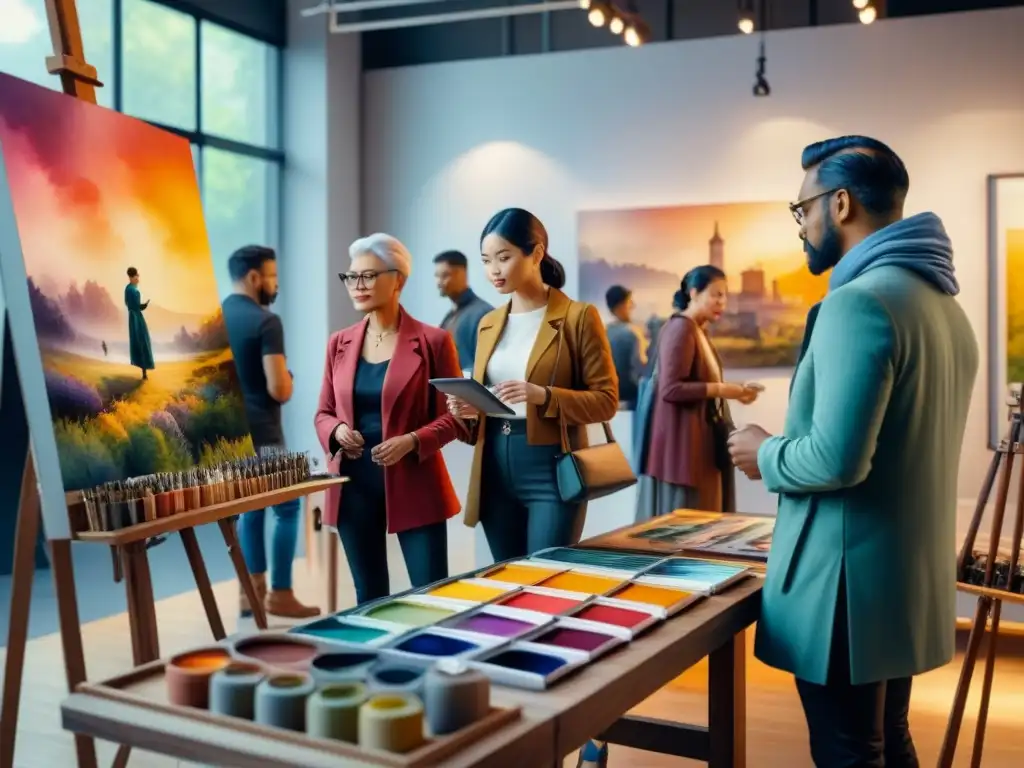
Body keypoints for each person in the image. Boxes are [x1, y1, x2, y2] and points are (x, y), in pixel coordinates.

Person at [727, 136, 978, 767]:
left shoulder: (857, 303)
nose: (802, 227)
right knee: (887, 741)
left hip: (844, 591)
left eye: (802, 209)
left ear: (839, 204)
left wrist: (767, 451)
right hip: (901, 583)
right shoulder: (944, 307)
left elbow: (837, 461)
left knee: (850, 753)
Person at [447, 208, 618, 563]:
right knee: (506, 582)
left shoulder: (578, 317)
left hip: (552, 469)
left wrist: (543, 395)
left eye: (504, 257)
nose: (493, 270)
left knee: (545, 579)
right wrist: (468, 409)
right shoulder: (488, 323)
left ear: (537, 253)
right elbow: (486, 405)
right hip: (493, 468)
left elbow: (606, 401)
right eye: (486, 260)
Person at [315, 233, 465, 605]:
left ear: (398, 280)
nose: (357, 285)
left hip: (415, 481)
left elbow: (456, 417)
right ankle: (373, 662)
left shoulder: (433, 341)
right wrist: (337, 430)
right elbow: (323, 412)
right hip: (353, 485)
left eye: (368, 276)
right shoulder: (340, 342)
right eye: (351, 277)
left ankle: (430, 662)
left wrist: (412, 441)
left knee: (432, 596)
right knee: (369, 596)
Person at [222, 246, 319, 620]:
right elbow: (279, 388)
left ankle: (250, 595)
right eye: (273, 277)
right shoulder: (266, 322)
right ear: (253, 277)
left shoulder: (215, 320)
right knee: (288, 506)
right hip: (265, 434)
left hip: (229, 439)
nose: (276, 285)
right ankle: (279, 593)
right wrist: (290, 379)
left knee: (250, 510)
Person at [636, 266, 758, 519]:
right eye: (716, 294)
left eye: (725, 295)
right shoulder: (681, 328)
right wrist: (728, 390)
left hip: (698, 446)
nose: (722, 302)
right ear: (694, 293)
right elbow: (671, 389)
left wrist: (735, 392)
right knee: (689, 527)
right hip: (683, 449)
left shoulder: (697, 330)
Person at [434, 249, 493, 372]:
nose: (439, 282)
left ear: (462, 273)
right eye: (437, 276)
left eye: (445, 275)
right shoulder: (450, 316)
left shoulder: (483, 314)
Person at [604, 285, 647, 409]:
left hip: (608, 399)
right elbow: (641, 371)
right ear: (620, 306)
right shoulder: (632, 333)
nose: (632, 306)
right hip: (630, 400)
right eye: (629, 302)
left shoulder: (602, 331)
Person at [124, 267, 154, 380]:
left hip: (132, 317)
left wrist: (138, 307)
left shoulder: (127, 288)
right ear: (132, 277)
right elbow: (136, 306)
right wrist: (143, 306)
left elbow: (128, 304)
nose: (138, 278)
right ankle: (144, 373)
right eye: (136, 276)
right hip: (137, 318)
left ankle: (144, 372)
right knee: (143, 341)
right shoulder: (134, 290)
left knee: (138, 341)